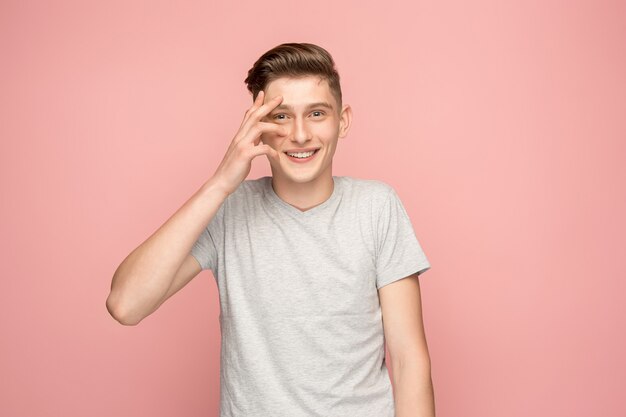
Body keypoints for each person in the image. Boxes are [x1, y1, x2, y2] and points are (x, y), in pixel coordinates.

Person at [106, 42, 435, 417]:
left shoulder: (377, 207)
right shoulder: (229, 210)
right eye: (280, 117)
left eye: (316, 113)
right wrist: (219, 183)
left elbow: (410, 362)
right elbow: (125, 304)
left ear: (342, 121)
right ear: (256, 127)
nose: (299, 134)